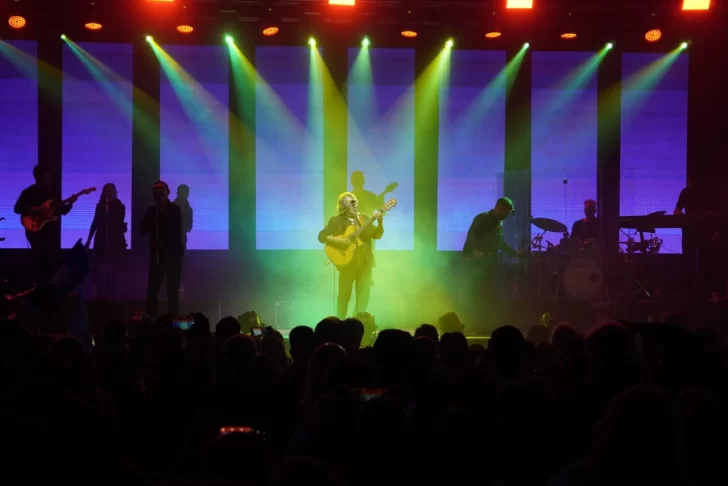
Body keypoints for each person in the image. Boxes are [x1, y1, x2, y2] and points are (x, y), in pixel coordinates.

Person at [318, 192, 384, 319]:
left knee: (363, 297)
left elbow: (377, 235)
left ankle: (357, 323)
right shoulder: (336, 220)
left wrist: (380, 222)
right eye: (350, 202)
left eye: (355, 201)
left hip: (365, 262)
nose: (354, 204)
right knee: (344, 296)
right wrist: (338, 241)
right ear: (343, 206)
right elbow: (321, 236)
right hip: (346, 263)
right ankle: (340, 323)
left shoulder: (364, 218)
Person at [462, 197, 520, 325]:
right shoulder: (483, 218)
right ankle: (473, 322)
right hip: (475, 261)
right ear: (500, 208)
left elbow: (498, 242)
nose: (507, 215)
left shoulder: (499, 222)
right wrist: (473, 252)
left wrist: (514, 253)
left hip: (487, 261)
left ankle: (482, 322)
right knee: (476, 292)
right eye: (507, 212)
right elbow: (472, 235)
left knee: (485, 291)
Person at [14, 165, 74, 284]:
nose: (48, 180)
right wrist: (37, 209)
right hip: (35, 232)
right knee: (39, 261)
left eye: (49, 178)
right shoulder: (28, 192)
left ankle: (48, 289)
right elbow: (17, 208)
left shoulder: (52, 192)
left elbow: (63, 211)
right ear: (37, 177)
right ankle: (39, 288)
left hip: (51, 233)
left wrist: (70, 204)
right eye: (45, 177)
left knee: (51, 263)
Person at [141, 181, 183, 316]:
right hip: (157, 257)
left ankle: (174, 320)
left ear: (167, 192)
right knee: (152, 290)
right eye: (156, 190)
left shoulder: (175, 210)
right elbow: (143, 229)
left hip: (172, 256)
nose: (158, 193)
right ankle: (152, 320)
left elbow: (177, 233)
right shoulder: (152, 211)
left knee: (172, 291)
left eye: (161, 190)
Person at [674, 177, 714, 299]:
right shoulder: (685, 192)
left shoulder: (705, 192)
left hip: (703, 231)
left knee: (704, 261)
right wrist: (685, 217)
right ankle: (689, 292)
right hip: (690, 230)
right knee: (689, 260)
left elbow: (712, 212)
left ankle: (703, 292)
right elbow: (677, 211)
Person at [85, 183, 127, 300]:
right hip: (101, 241)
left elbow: (118, 223)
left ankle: (112, 296)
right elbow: (95, 223)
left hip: (114, 242)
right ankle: (100, 296)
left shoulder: (120, 206)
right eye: (106, 191)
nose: (108, 193)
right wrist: (89, 239)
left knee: (113, 271)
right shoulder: (100, 206)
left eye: (111, 191)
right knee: (99, 270)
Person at [172, 184, 193, 250]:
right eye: (186, 192)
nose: (188, 194)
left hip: (181, 237)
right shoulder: (172, 207)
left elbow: (188, 227)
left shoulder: (188, 208)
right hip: (173, 238)